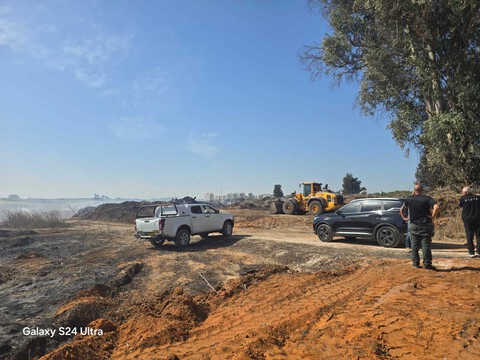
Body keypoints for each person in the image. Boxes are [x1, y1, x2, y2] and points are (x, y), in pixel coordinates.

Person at [400, 184, 439, 270]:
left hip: (413, 225)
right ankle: (427, 264)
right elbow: (436, 207)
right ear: (422, 190)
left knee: (414, 245)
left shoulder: (409, 199)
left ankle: (415, 263)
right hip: (425, 225)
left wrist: (404, 218)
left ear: (414, 190)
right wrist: (432, 217)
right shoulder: (427, 198)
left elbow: (401, 209)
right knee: (425, 245)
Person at [459, 186, 480, 257]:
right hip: (478, 218)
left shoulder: (462, 198)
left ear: (465, 192)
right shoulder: (478, 197)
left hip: (467, 219)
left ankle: (471, 252)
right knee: (478, 235)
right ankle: (479, 251)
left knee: (469, 235)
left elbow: (460, 205)